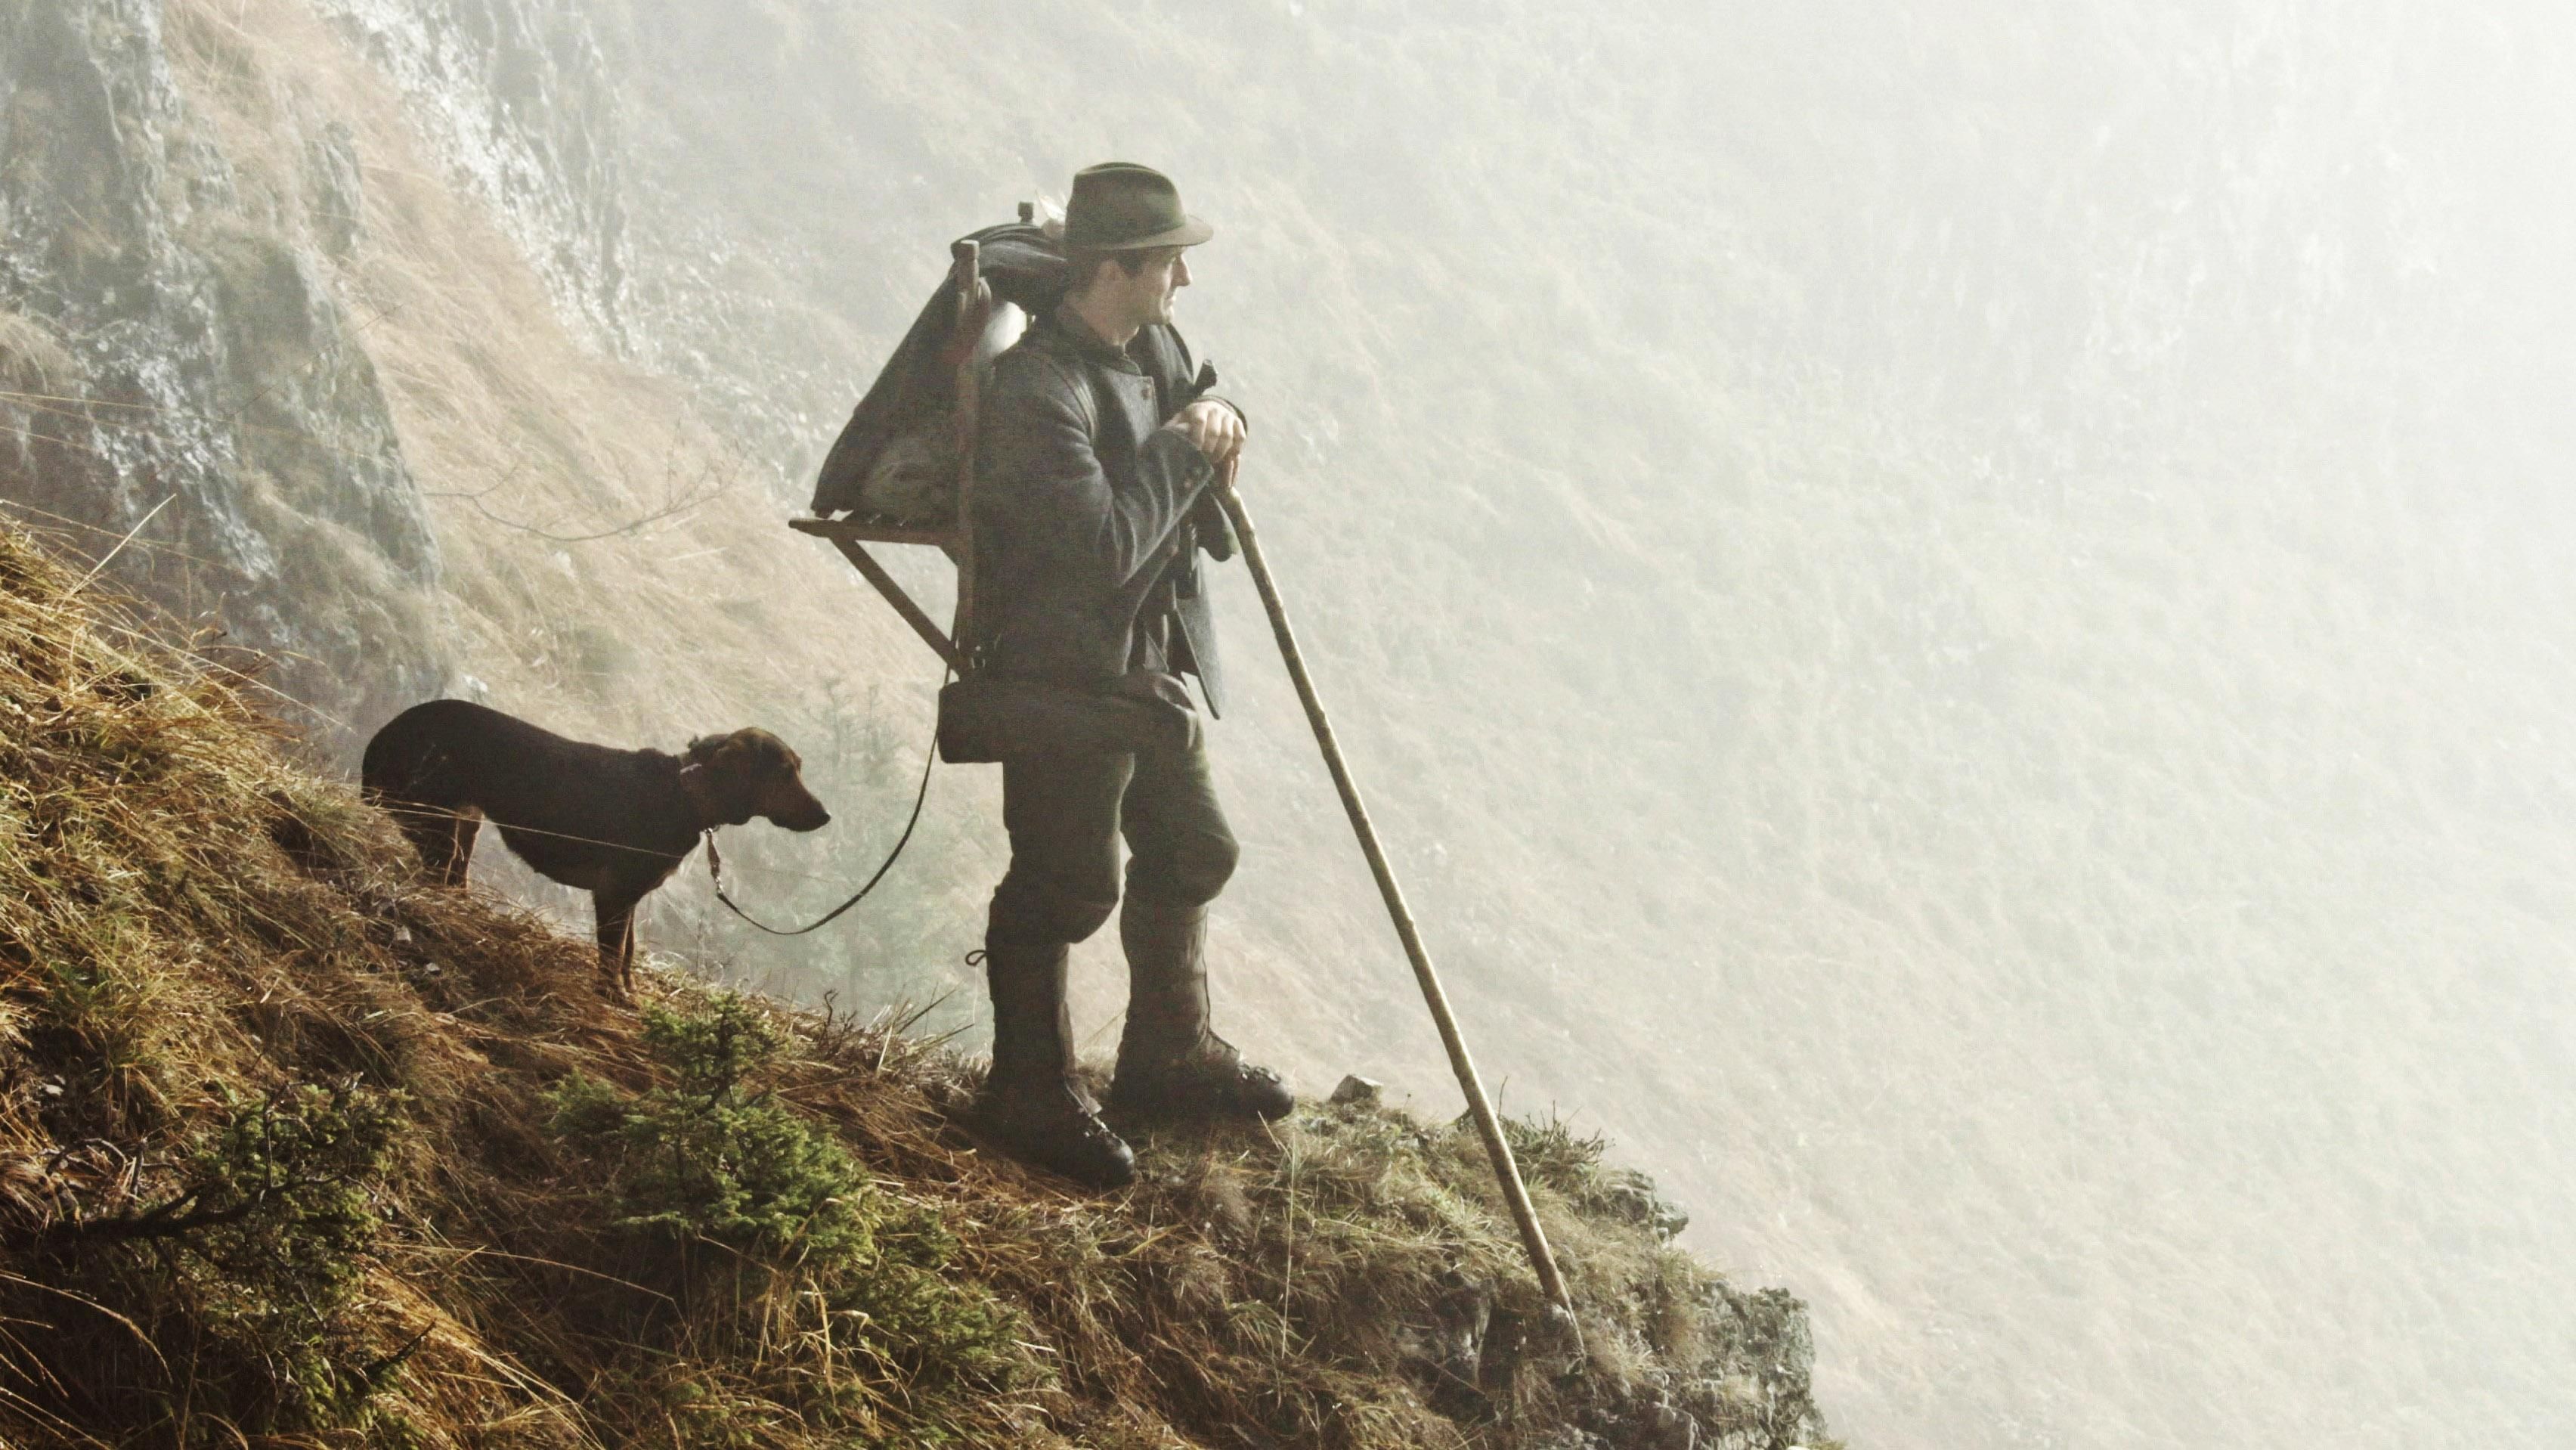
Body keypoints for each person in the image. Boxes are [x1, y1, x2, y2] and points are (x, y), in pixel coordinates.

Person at [966, 163, 1292, 1188]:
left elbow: (1200, 392)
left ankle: (1166, 1055)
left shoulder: (1147, 344)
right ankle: (1027, 1087)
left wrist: (1222, 408)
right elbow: (1101, 550)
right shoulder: (1034, 394)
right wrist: (1185, 446)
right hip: (1061, 679)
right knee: (1067, 883)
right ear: (1114, 269)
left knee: (1194, 847)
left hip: (1140, 670)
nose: (1182, 286)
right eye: (1168, 265)